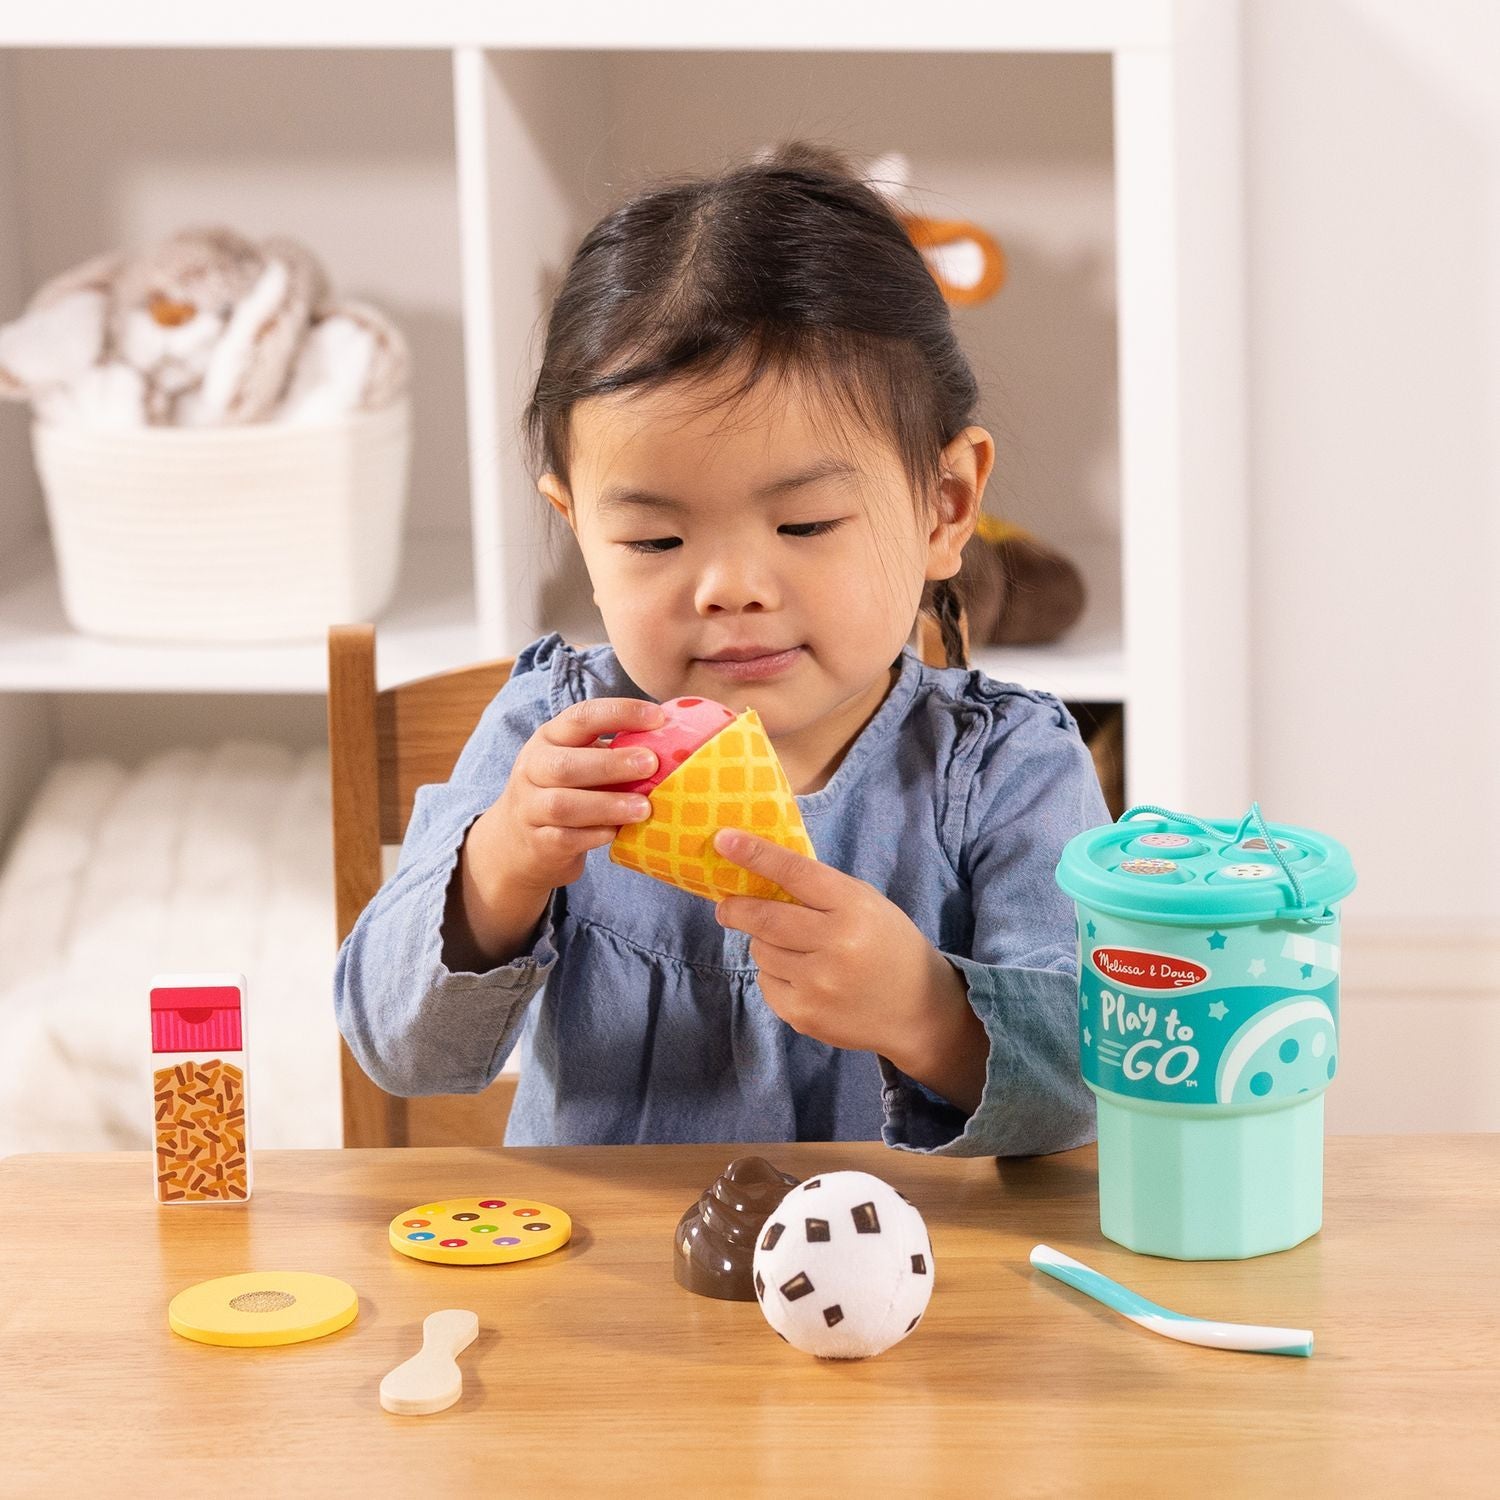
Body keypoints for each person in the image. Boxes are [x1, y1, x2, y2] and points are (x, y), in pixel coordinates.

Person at [335, 140, 1110, 1155]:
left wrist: (927, 1014)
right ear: (579, 528)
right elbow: (399, 1050)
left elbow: (1095, 1085)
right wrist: (505, 867)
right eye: (655, 540)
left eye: (804, 526)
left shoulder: (1006, 771)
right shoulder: (553, 741)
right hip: (614, 1293)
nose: (729, 587)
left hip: (903, 1297)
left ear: (944, 505)